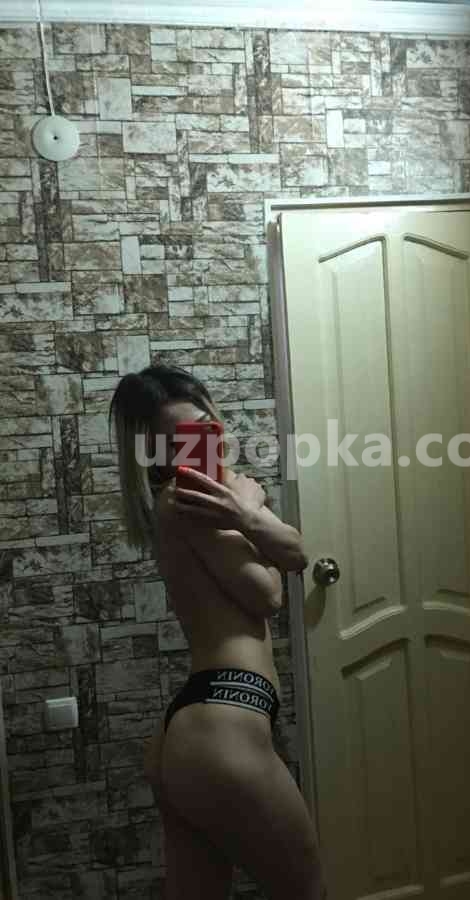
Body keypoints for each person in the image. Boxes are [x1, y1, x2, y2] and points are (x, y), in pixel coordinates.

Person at [108, 364, 326, 900]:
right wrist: (248, 510)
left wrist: (244, 510)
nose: (202, 442)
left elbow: (296, 553)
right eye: (182, 439)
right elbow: (268, 593)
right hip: (224, 726)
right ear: (156, 454)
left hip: (192, 730)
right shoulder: (191, 502)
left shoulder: (195, 502)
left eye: (205, 425)